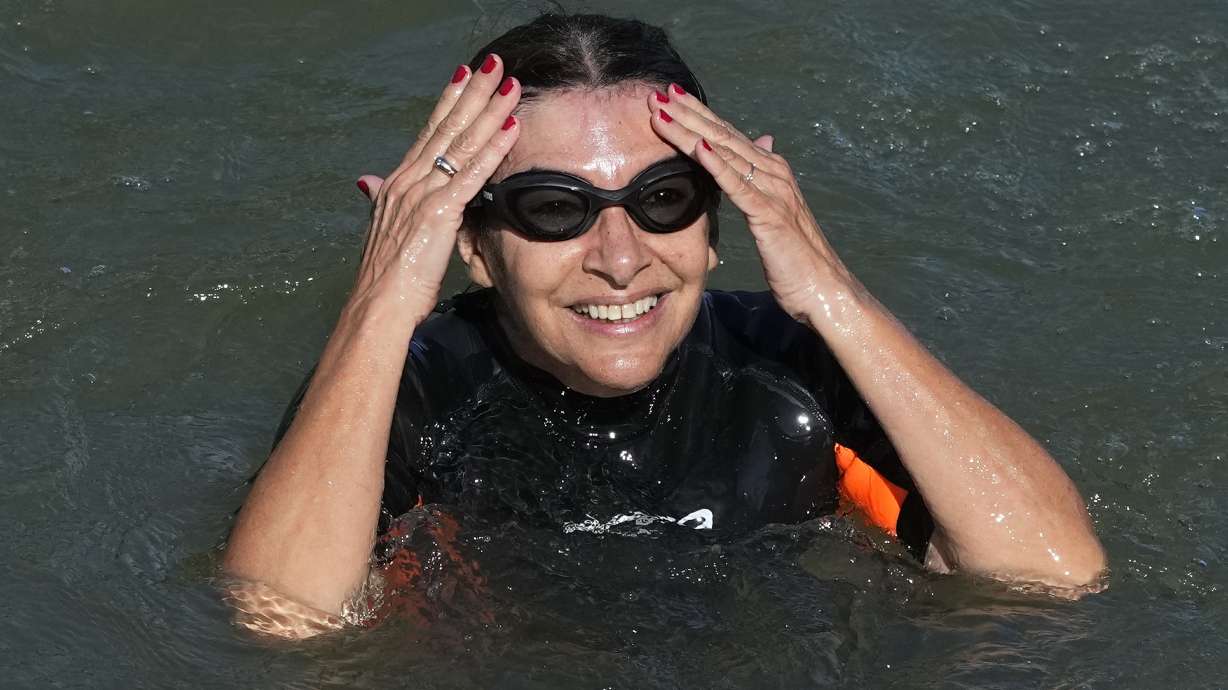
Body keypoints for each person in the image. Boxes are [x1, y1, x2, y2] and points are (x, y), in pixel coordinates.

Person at [221, 13, 1106, 638]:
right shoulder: (410, 381)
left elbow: (1056, 575)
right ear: (476, 250)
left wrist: (831, 292)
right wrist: (379, 306)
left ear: (717, 229)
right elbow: (281, 619)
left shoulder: (790, 366)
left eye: (663, 198)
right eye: (554, 208)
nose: (621, 254)